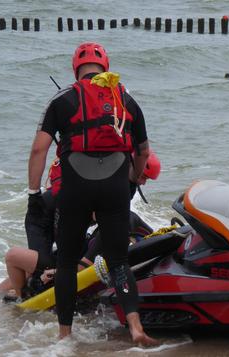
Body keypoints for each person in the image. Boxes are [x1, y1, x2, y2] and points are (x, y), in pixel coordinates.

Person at [27, 42, 157, 345]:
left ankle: (65, 335)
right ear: (105, 67)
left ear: (76, 67)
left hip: (75, 191)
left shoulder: (62, 98)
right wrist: (133, 180)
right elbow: (143, 151)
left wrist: (34, 193)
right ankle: (136, 327)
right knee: (119, 261)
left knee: (67, 264)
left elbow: (38, 149)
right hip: (114, 189)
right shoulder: (125, 97)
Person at [0, 153, 161, 299]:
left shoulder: (126, 189)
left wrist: (157, 238)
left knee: (52, 262)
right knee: (39, 270)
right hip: (43, 216)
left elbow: (129, 225)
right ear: (133, 164)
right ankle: (7, 295)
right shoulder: (109, 179)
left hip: (70, 216)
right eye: (144, 177)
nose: (144, 182)